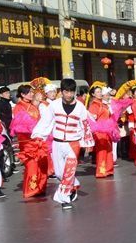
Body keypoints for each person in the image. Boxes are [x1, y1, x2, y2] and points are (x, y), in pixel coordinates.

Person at [32, 78, 92, 210]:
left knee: (69, 170)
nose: (69, 95)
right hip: (57, 143)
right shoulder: (54, 105)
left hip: (73, 143)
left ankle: (65, 199)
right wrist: (38, 135)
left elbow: (85, 125)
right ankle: (73, 184)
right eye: (66, 92)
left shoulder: (81, 107)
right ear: (62, 91)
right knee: (59, 173)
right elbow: (46, 121)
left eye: (71, 92)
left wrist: (87, 143)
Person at [11, 84, 48, 197]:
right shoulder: (19, 107)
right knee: (32, 165)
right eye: (29, 92)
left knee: (42, 163)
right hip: (27, 141)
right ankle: (31, 189)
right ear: (22, 94)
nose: (32, 94)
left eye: (32, 92)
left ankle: (40, 187)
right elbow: (20, 125)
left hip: (38, 139)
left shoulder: (34, 105)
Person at [87, 83, 114, 178]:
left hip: (107, 130)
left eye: (100, 91)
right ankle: (101, 170)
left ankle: (109, 169)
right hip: (100, 131)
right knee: (102, 150)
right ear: (93, 94)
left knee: (109, 149)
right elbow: (91, 118)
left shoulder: (104, 104)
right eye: (97, 92)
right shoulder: (94, 105)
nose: (99, 93)